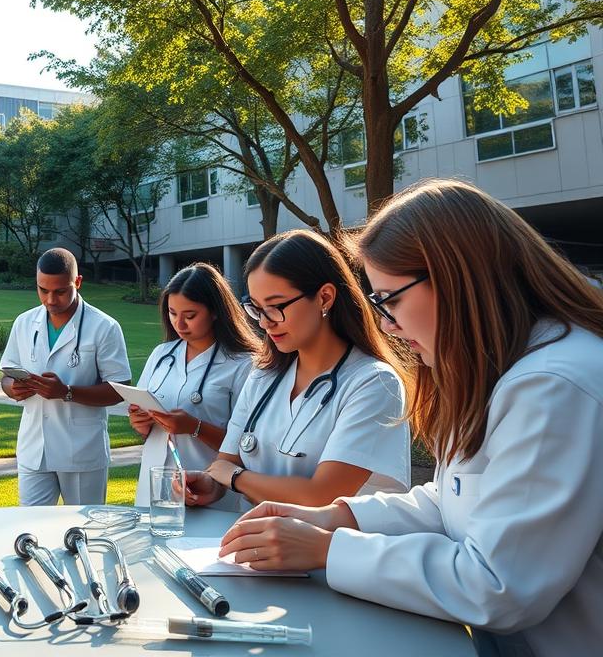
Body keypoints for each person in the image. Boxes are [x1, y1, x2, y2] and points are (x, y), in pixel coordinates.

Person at [218, 180, 603, 656]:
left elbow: (499, 586)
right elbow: (452, 501)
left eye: (390, 300)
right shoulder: (510, 370)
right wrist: (335, 516)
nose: (385, 324)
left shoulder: (555, 384)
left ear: (457, 276)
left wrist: (326, 548)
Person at [183, 229, 410, 512]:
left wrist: (234, 477)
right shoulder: (263, 377)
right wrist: (208, 484)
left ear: (325, 297)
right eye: (256, 308)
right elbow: (224, 464)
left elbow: (321, 495)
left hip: (337, 553)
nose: (265, 323)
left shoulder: (374, 382)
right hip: (254, 547)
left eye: (276, 307)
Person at [0, 248, 131, 506]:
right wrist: (12, 389)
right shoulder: (24, 323)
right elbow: (6, 374)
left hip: (81, 451)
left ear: (78, 282)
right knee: (31, 533)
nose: (50, 300)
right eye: (42, 290)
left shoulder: (104, 327)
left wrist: (66, 392)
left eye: (60, 291)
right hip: (34, 449)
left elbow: (120, 387)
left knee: (82, 534)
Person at [129, 263, 257, 510]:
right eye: (172, 313)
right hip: (156, 480)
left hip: (211, 489)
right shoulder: (162, 355)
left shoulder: (243, 365)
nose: (180, 324)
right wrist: (140, 423)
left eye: (190, 316)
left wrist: (194, 427)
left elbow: (250, 446)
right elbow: (145, 418)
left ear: (216, 311)